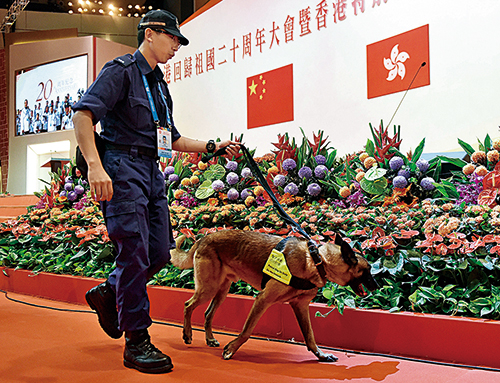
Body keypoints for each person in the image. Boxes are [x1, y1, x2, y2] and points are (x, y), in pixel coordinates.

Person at [72, 9, 239, 374]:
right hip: (121, 168)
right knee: (133, 253)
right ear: (150, 33)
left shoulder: (160, 85)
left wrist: (211, 146)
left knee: (160, 253)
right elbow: (83, 116)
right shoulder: (121, 72)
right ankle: (137, 341)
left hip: (151, 171)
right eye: (173, 37)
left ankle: (108, 293)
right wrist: (96, 167)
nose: (177, 45)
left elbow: (172, 139)